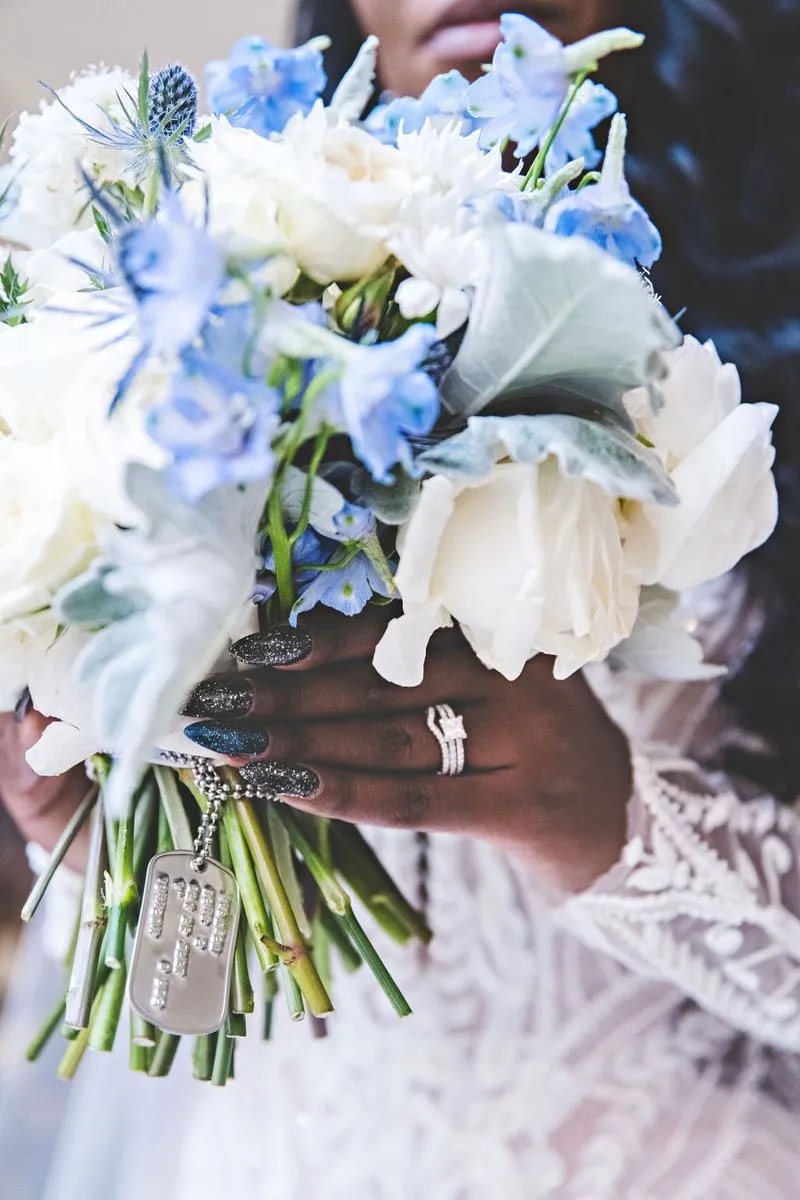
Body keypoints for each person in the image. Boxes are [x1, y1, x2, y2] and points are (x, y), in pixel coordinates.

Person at [1, 1, 799, 1196]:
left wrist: (612, 820)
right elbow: (211, 1008)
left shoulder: (753, 334)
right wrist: (104, 847)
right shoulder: (213, 320)